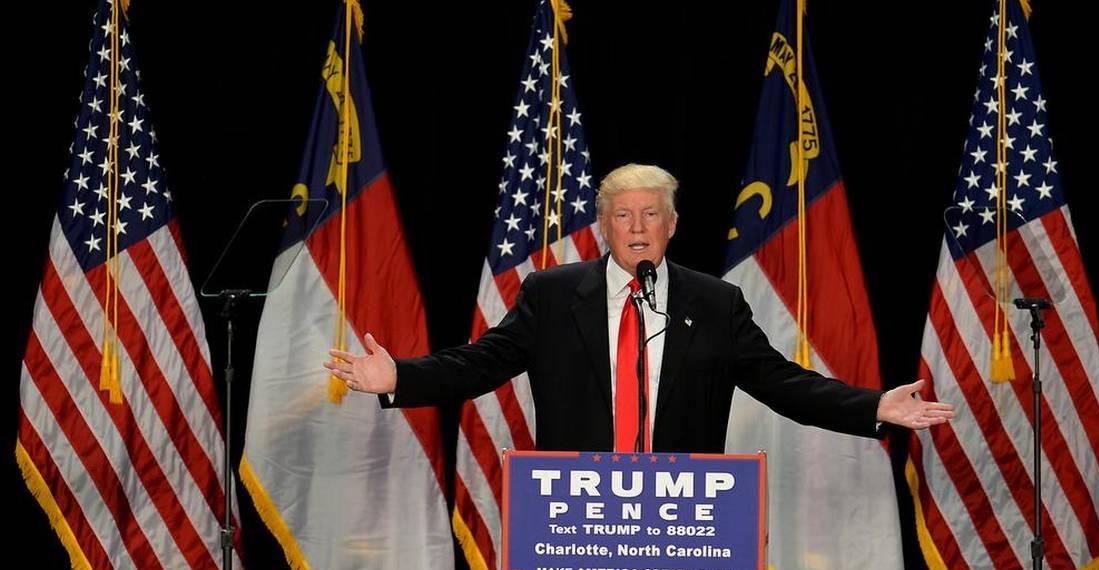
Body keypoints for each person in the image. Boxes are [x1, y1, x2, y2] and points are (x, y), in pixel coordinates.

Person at [325, 164, 952, 452]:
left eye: (651, 213)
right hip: (576, 518)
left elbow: (781, 382)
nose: (637, 226)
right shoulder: (550, 293)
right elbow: (479, 364)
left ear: (672, 226)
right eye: (622, 215)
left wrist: (872, 405)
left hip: (685, 523)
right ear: (603, 227)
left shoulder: (714, 302)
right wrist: (399, 377)